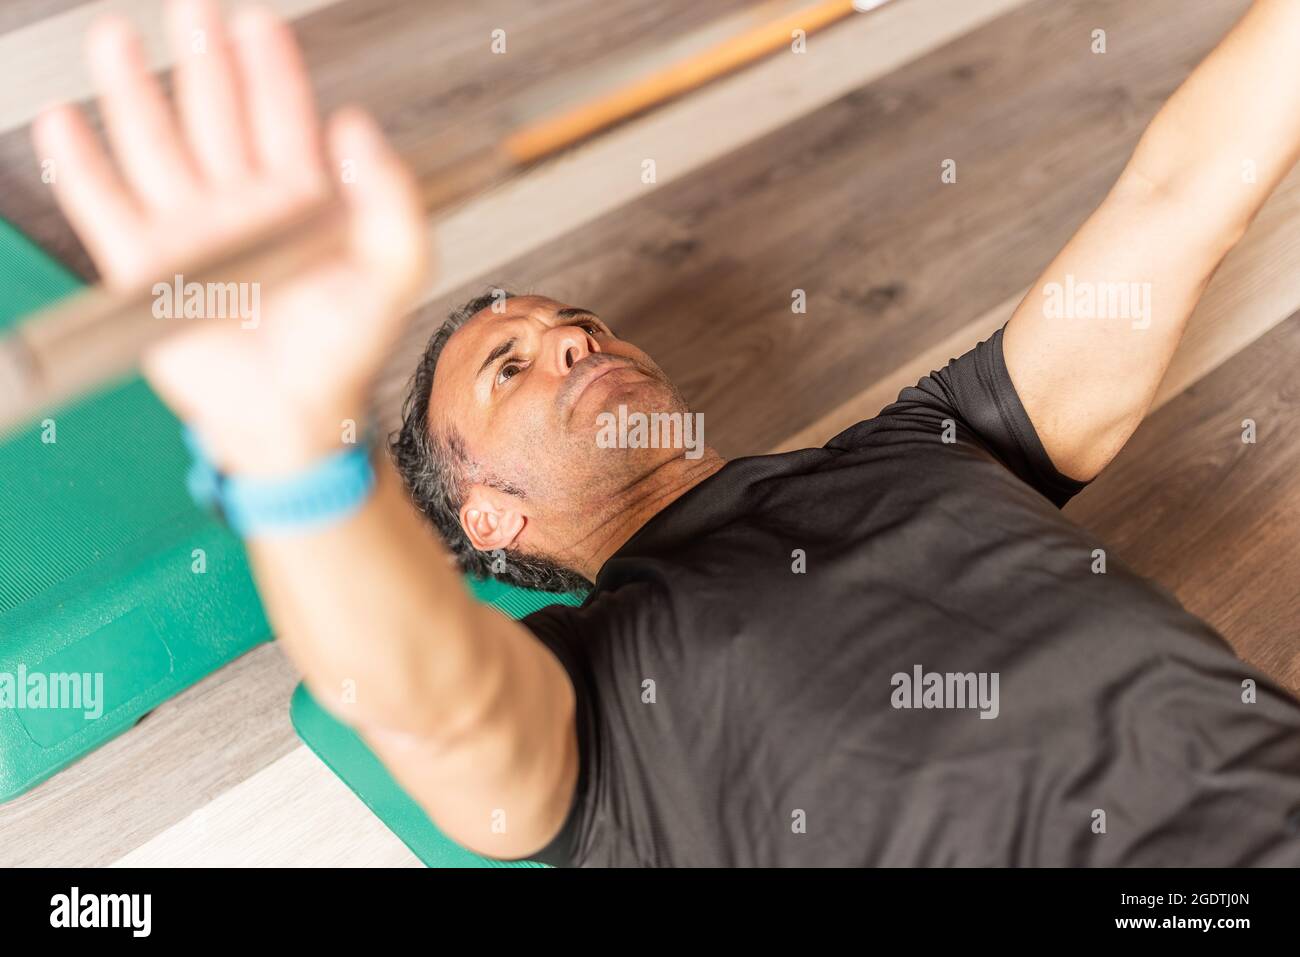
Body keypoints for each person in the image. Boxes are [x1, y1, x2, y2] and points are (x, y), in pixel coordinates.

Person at [34, 0, 1300, 866]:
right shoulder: (591, 719)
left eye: (574, 325)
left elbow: (1182, 192)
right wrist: (287, 440)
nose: (575, 341)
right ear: (490, 521)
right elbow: (430, 705)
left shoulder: (934, 440)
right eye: (513, 366)